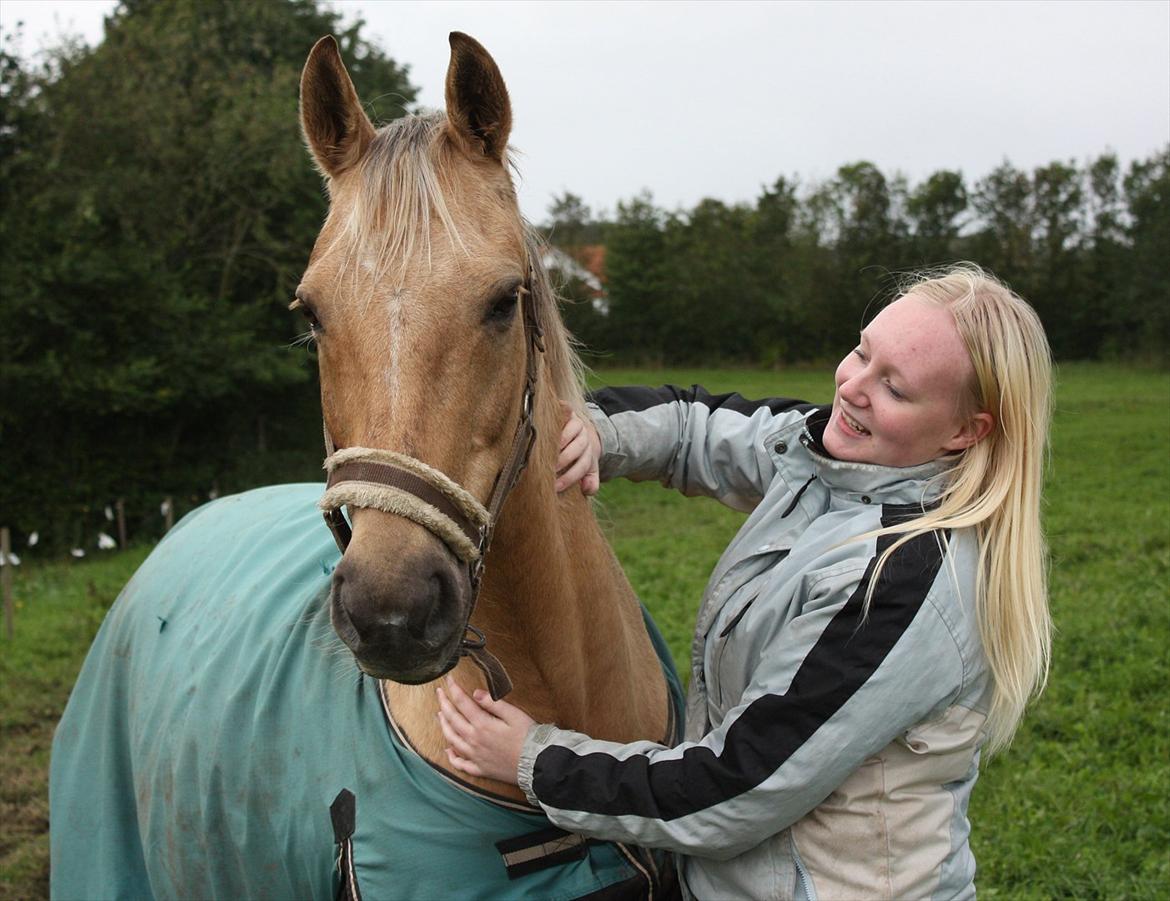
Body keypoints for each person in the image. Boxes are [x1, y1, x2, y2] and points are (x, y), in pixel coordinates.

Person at [437, 265, 1053, 900]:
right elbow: (694, 426)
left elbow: (734, 787)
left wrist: (534, 760)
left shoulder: (902, 580)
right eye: (862, 352)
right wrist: (593, 430)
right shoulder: (827, 456)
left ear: (965, 431)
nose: (852, 387)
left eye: (894, 388)